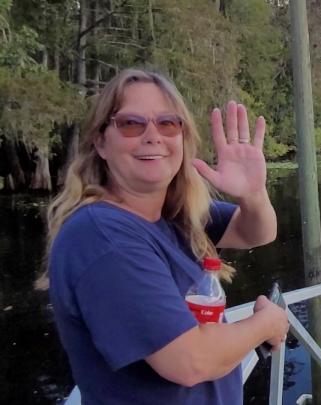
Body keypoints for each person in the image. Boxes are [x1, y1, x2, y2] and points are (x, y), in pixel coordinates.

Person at [38, 68, 289, 404]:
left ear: (182, 139)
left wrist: (253, 194)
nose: (152, 136)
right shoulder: (102, 236)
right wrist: (266, 324)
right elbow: (190, 362)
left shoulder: (173, 214)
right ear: (100, 142)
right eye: (131, 124)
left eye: (168, 123)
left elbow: (257, 232)